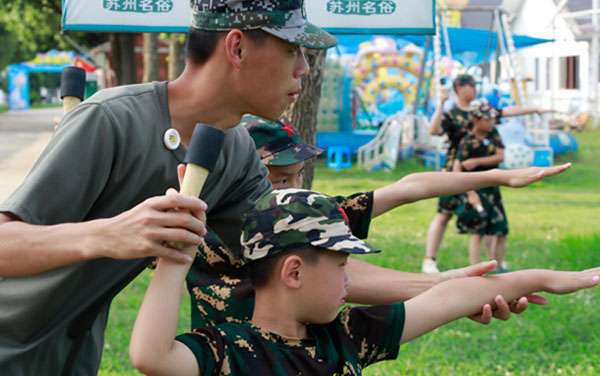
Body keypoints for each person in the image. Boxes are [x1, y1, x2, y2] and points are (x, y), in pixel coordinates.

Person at [0, 0, 337, 373]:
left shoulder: (235, 150)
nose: (304, 67)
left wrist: (427, 291)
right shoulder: (110, 119)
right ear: (238, 47)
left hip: (69, 358)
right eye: (291, 48)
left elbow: (297, 258)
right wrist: (109, 234)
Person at [129, 188, 600, 375]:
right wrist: (176, 257)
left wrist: (547, 278)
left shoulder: (346, 334)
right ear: (293, 272)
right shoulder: (224, 349)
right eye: (340, 265)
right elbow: (150, 356)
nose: (348, 278)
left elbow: (451, 297)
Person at [185, 114, 571, 329]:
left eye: (298, 175)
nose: (295, 187)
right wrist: (441, 286)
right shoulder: (206, 238)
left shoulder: (307, 214)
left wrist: (500, 176)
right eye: (280, 178)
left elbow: (407, 187)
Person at [423, 74, 552, 273]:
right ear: (459, 88)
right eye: (471, 85)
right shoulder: (452, 114)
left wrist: (534, 109)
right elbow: (434, 130)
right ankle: (429, 260)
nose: (474, 89)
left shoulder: (481, 111)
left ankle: (492, 262)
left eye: (475, 85)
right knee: (444, 215)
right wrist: (440, 103)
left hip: (481, 175)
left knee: (489, 220)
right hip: (454, 172)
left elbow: (508, 111)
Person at [453, 101, 508, 269]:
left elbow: (500, 156)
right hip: (476, 191)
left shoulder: (493, 134)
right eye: (487, 119)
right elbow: (457, 168)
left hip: (493, 189)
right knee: (477, 232)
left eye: (492, 119)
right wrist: (470, 194)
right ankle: (475, 268)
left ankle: (498, 266)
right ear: (477, 120)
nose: (492, 122)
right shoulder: (467, 141)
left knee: (500, 229)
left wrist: (477, 161)